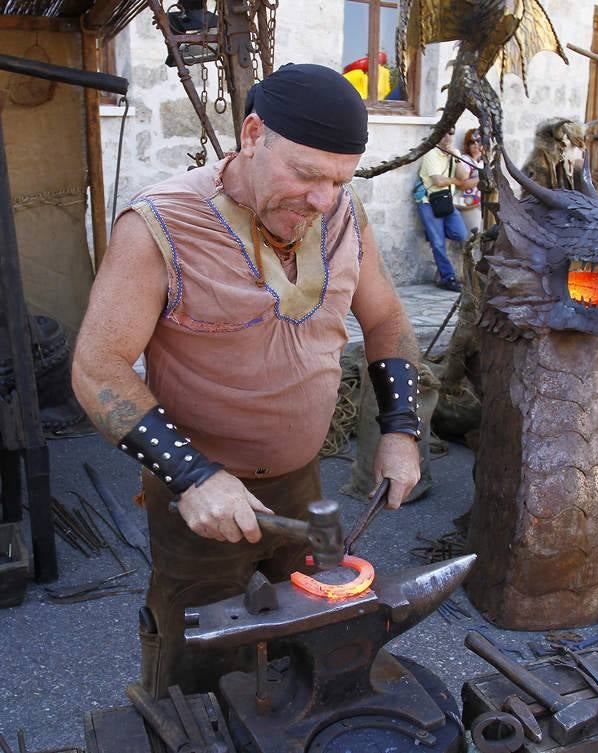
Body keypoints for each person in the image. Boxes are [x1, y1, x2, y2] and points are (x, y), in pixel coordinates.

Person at [71, 63, 422, 699]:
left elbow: (387, 319)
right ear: (252, 134)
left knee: (317, 643)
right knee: (198, 664)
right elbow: (99, 368)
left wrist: (401, 430)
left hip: (302, 486)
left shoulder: (343, 216)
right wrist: (193, 478)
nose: (321, 200)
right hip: (197, 493)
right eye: (307, 174)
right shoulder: (161, 225)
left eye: (339, 181)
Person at [416, 128, 470, 292]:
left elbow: (464, 177)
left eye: (452, 133)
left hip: (446, 202)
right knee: (438, 244)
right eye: (444, 132)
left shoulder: (455, 153)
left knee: (461, 234)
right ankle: (448, 277)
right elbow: (438, 181)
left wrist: (456, 158)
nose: (448, 136)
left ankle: (433, 232)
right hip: (429, 201)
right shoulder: (431, 153)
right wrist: (457, 182)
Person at [454, 127, 483, 234]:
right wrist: (482, 178)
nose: (476, 144)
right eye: (472, 142)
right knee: (473, 236)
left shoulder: (485, 161)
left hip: (483, 204)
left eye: (479, 141)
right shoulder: (465, 160)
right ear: (467, 145)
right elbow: (462, 184)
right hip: (469, 204)